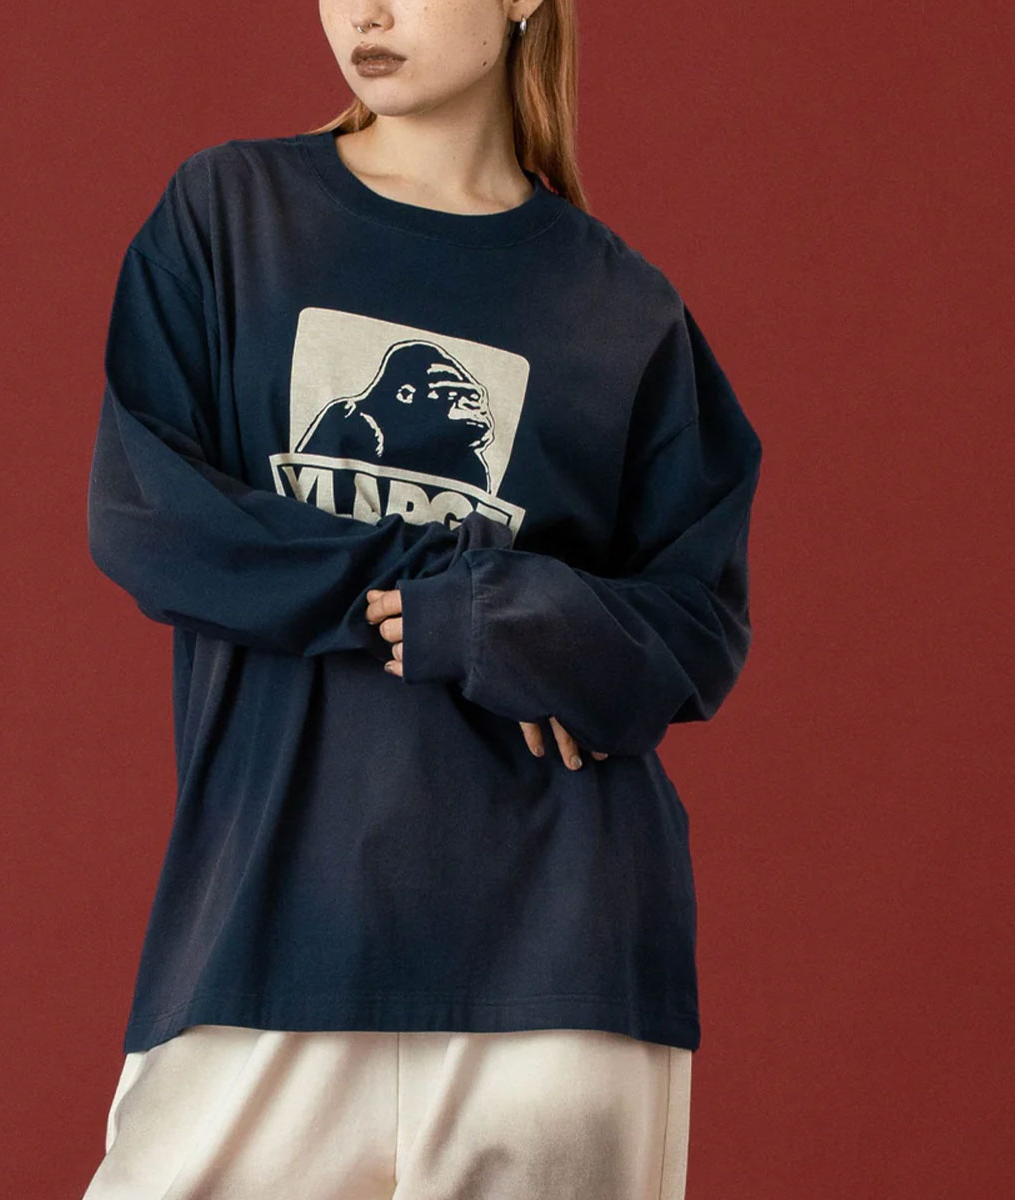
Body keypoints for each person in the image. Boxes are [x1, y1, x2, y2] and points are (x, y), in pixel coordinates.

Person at [80, 1, 763, 1196]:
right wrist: (453, 595)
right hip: (271, 934)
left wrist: (522, 623)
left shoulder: (621, 309)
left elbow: (698, 626)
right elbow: (148, 514)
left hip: (557, 967)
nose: (368, 11)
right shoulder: (232, 218)